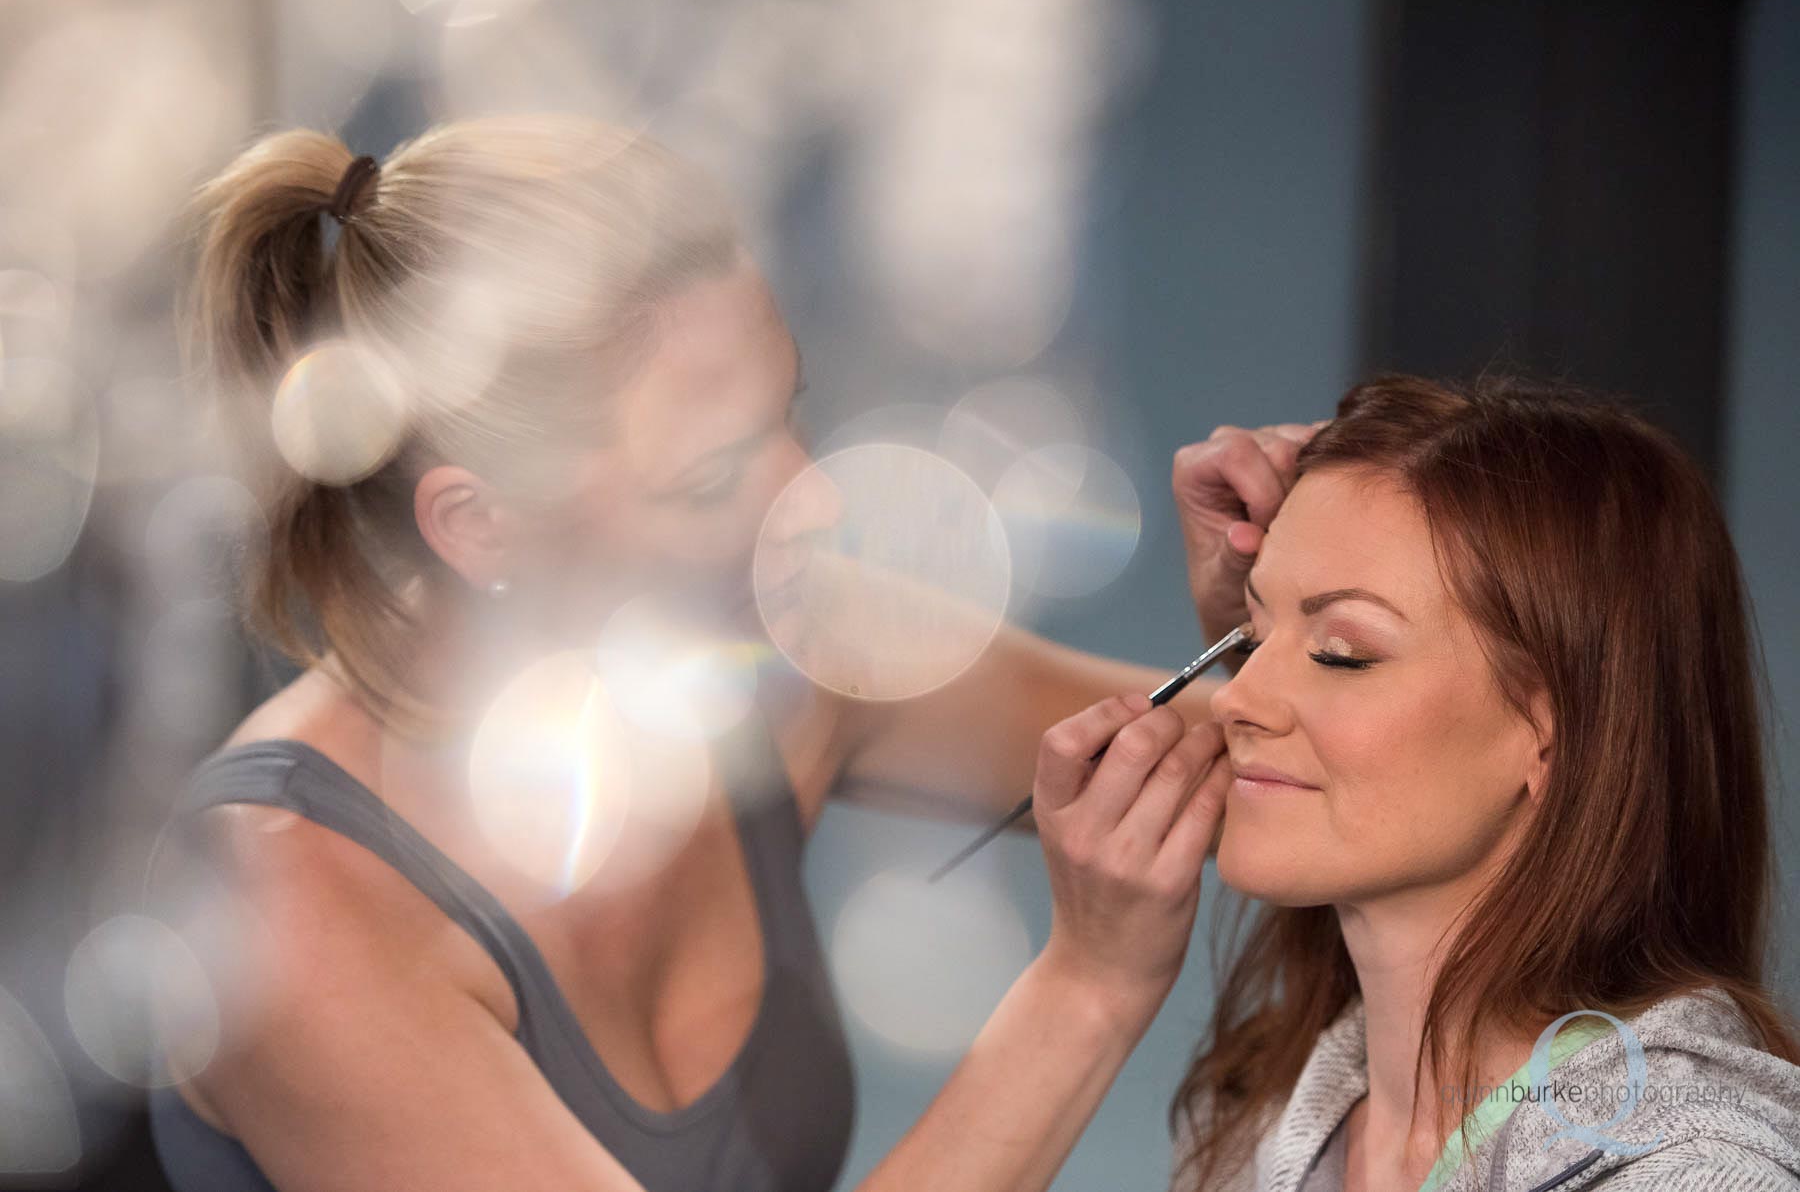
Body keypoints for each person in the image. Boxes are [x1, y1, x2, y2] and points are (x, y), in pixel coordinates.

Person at [147, 114, 1309, 1191]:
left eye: (785, 413)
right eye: (709, 473)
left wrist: (1261, 622)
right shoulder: (288, 908)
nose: (806, 500)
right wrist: (1088, 989)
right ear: (480, 525)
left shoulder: (778, 634)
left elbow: (1265, 761)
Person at [1169, 375, 1800, 1191]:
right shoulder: (1252, 1117)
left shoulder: (1693, 1174)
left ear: (1555, 732)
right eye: (1251, 637)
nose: (1235, 698)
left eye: (1341, 652)